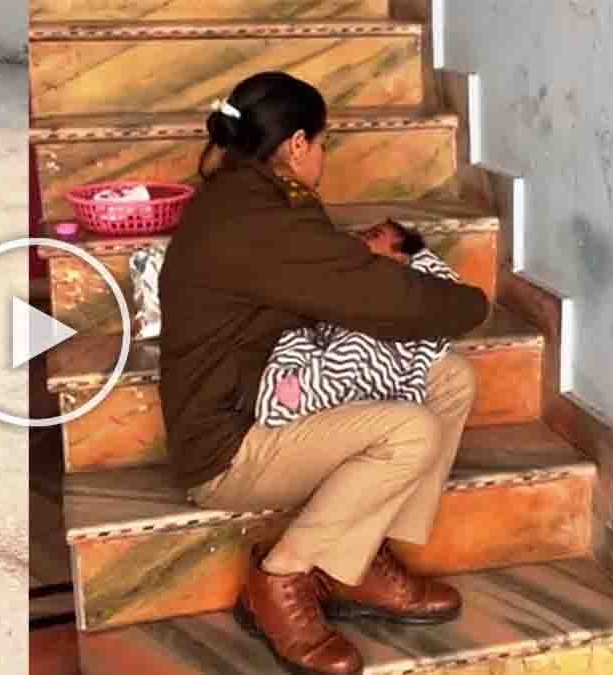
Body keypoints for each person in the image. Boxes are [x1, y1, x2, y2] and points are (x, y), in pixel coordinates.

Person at [157, 72, 490, 675]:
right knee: (409, 430)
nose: (326, 157)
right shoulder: (263, 219)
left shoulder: (248, 200)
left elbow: (324, 274)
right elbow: (384, 297)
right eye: (325, 143)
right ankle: (278, 580)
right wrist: (475, 304)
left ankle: (355, 564)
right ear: (298, 144)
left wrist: (360, 260)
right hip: (227, 449)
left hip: (256, 399)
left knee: (451, 380)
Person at [256, 220, 461, 427]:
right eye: (362, 234)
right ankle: (305, 389)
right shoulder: (352, 269)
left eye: (373, 235)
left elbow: (439, 300)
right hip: (342, 338)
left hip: (381, 347)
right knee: (325, 341)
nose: (360, 238)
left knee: (357, 345)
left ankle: (305, 392)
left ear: (400, 255)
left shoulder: (405, 280)